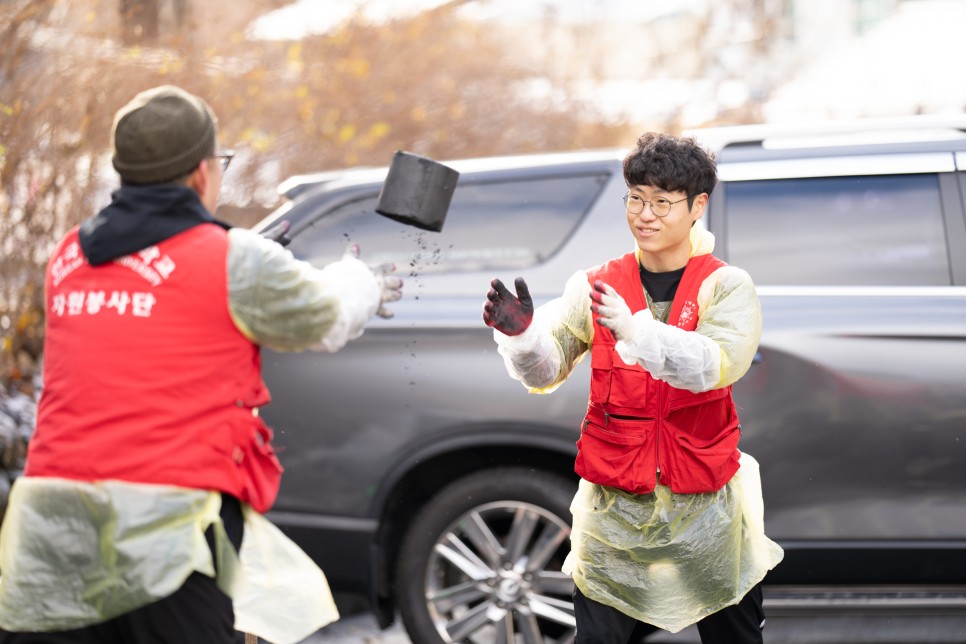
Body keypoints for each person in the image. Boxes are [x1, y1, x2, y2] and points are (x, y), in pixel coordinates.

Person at [0, 85, 402, 644]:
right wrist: (361, 279)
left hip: (52, 526)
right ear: (200, 173)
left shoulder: (68, 255)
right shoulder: (233, 258)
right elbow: (329, 317)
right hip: (167, 536)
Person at [483, 132, 784, 643]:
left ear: (697, 206)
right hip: (613, 517)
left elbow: (716, 364)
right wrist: (523, 337)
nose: (645, 214)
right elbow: (546, 371)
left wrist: (636, 330)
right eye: (636, 199)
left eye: (663, 203)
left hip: (706, 508)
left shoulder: (726, 286)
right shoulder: (596, 285)